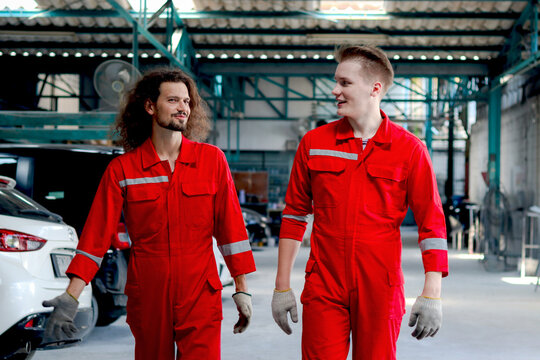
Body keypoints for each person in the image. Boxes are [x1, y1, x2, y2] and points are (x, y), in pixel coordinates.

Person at [42, 68, 256, 359]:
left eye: (187, 101)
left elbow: (232, 231)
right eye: (173, 100)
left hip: (200, 291)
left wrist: (241, 288)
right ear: (150, 106)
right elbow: (95, 238)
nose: (183, 107)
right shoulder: (123, 170)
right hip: (149, 293)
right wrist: (71, 295)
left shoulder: (212, 161)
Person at [271, 45, 448, 360]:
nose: (335, 90)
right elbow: (295, 216)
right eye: (336, 82)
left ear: (375, 89)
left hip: (380, 285)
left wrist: (432, 290)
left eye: (344, 83)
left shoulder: (409, 150)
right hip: (325, 282)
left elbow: (431, 224)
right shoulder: (314, 144)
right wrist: (282, 285)